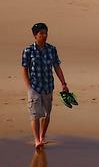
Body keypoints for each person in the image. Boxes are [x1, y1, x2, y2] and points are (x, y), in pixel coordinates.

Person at [22, 22, 69, 150]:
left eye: (45, 32)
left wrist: (63, 83)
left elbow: (57, 66)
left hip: (48, 86)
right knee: (35, 114)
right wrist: (29, 87)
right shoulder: (28, 51)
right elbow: (24, 69)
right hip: (35, 87)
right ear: (35, 35)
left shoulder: (52, 49)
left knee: (47, 114)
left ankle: (42, 136)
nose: (44, 35)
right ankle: (37, 140)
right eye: (41, 33)